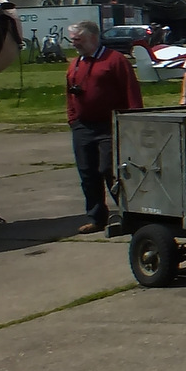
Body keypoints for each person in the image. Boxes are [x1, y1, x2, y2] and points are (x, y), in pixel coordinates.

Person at [65, 20, 143, 234]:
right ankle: (97, 217)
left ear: (92, 38)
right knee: (88, 173)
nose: (74, 44)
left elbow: (131, 92)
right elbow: (70, 93)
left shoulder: (115, 60)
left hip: (109, 125)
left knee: (109, 170)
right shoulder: (76, 62)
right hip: (83, 127)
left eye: (78, 40)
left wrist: (132, 121)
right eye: (72, 40)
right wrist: (73, 119)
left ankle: (131, 215)